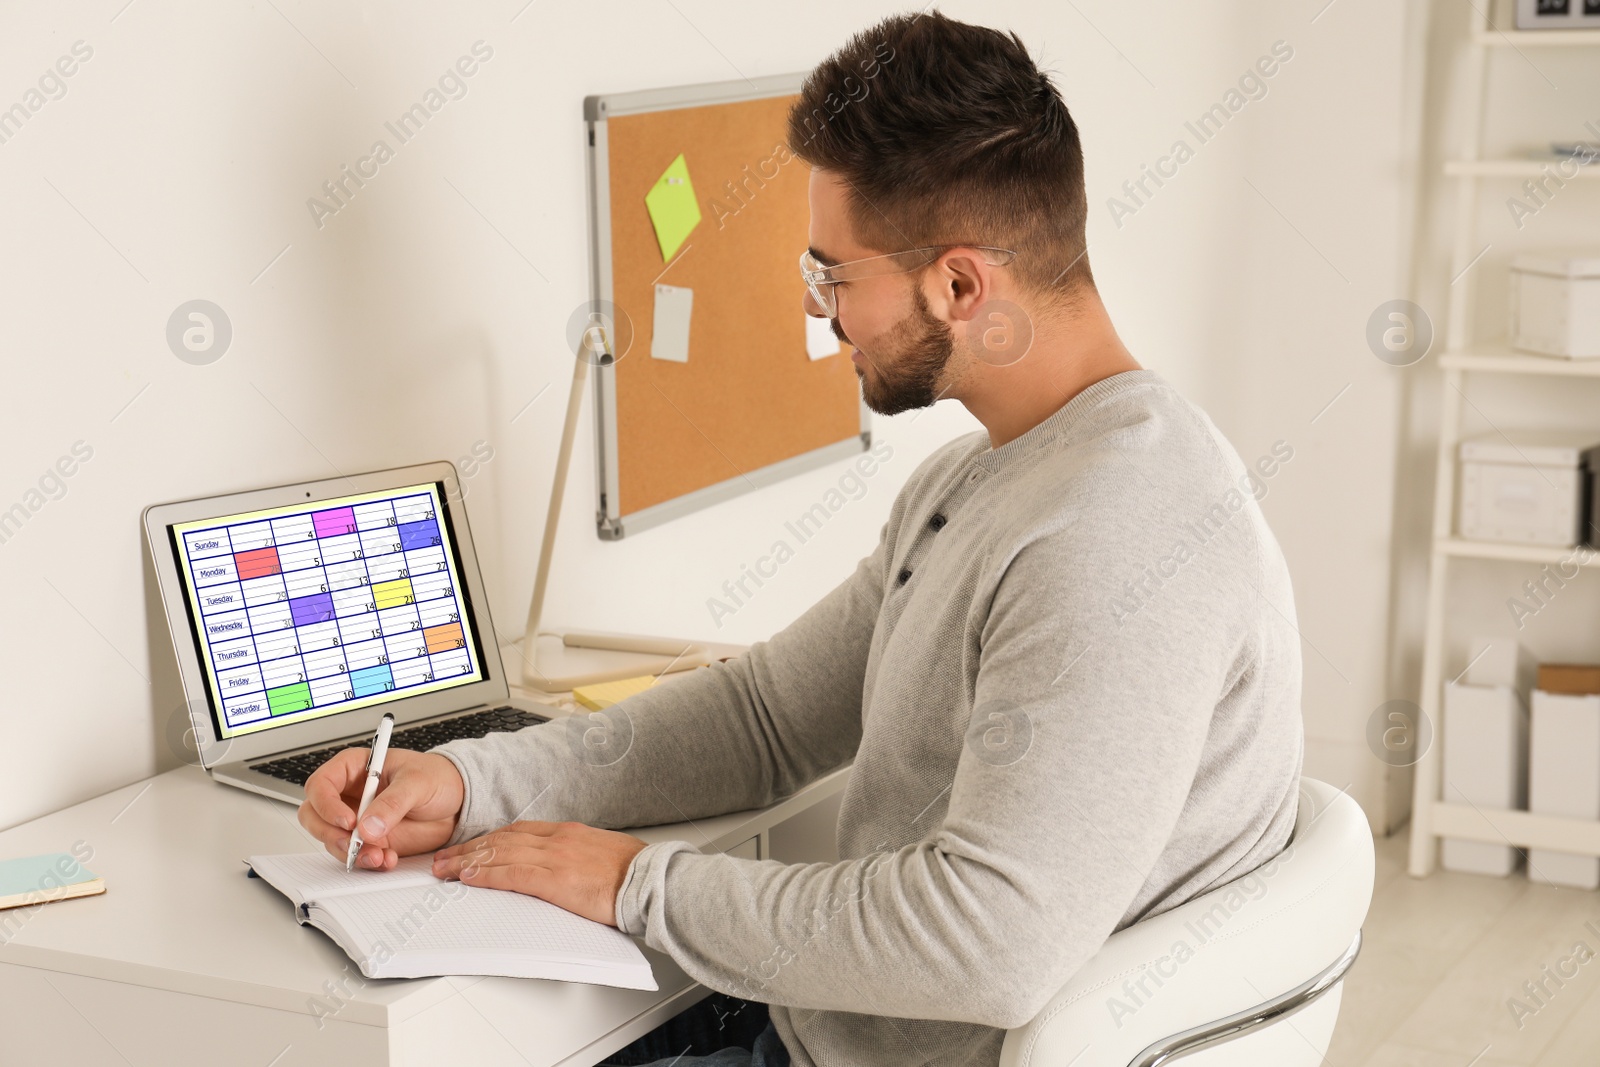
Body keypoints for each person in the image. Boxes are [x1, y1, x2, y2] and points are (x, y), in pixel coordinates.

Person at [300, 11, 1303, 1067]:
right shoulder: (988, 475)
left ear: (960, 285)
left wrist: (634, 882)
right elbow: (768, 715)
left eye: (836, 274)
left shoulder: (1114, 536)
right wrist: (472, 783)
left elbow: (986, 944)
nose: (824, 315)